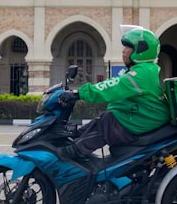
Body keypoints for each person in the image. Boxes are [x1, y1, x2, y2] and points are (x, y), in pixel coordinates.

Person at [60, 26, 170, 160]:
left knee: (108, 122)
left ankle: (73, 152)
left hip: (146, 119)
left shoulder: (142, 73)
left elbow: (112, 87)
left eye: (128, 48)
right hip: (145, 117)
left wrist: (78, 93)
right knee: (107, 116)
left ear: (140, 50)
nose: (123, 51)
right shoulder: (144, 70)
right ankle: (76, 136)